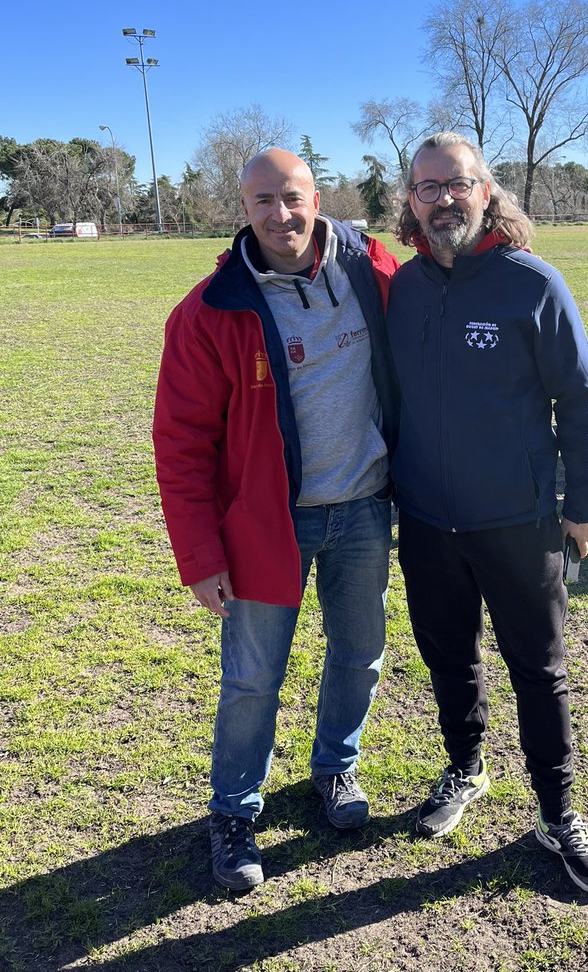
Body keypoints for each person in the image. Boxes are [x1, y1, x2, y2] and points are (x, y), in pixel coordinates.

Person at [153, 149, 400, 891]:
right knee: (253, 677)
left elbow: (453, 266)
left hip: (363, 506)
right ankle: (232, 811)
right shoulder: (208, 311)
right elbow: (182, 440)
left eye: (291, 197)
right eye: (263, 201)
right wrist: (199, 554)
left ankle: (335, 768)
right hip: (267, 523)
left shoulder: (370, 270)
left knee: (360, 652)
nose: (279, 214)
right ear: (243, 209)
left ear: (316, 198)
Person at [386, 132, 588, 896]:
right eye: (428, 187)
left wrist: (582, 503)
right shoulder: (403, 288)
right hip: (424, 519)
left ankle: (558, 813)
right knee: (450, 659)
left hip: (518, 522)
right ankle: (465, 768)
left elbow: (580, 401)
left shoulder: (533, 284)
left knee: (538, 671)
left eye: (458, 183)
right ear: (409, 201)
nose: (443, 198)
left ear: (487, 191)